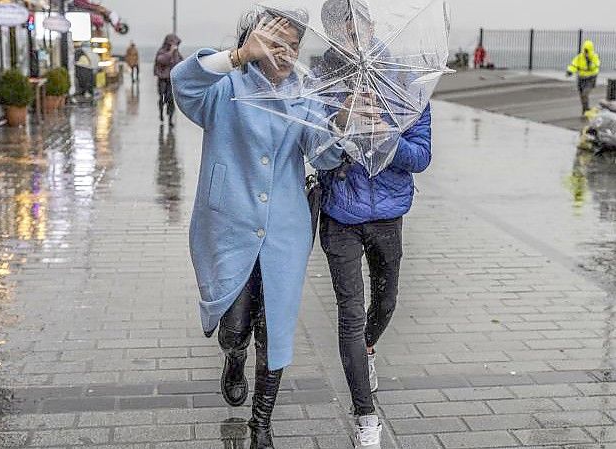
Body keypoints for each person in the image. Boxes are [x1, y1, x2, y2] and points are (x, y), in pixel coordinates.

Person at [171, 9, 343, 449]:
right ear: (254, 42)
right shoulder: (224, 89)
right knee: (235, 325)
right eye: (276, 42)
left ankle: (260, 424)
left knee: (276, 327)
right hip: (229, 224)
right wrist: (237, 55)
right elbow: (183, 83)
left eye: (293, 45)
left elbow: (325, 159)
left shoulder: (305, 94)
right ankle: (233, 356)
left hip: (285, 229)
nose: (286, 53)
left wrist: (338, 127)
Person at [317, 0, 433, 447]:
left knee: (384, 304)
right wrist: (343, 126)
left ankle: (368, 350)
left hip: (387, 215)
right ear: (333, 33)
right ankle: (365, 415)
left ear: (370, 27)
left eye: (358, 24)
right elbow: (313, 151)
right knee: (349, 314)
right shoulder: (321, 82)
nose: (352, 32)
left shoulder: (404, 81)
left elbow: (420, 156)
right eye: (342, 26)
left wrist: (383, 136)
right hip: (340, 214)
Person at [155, 34, 183, 125]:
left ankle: (170, 118)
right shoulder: (161, 51)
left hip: (171, 80)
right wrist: (170, 52)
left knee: (171, 99)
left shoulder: (177, 53)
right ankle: (161, 113)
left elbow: (181, 63)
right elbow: (161, 60)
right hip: (163, 79)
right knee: (162, 98)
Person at [566, 40, 601, 115]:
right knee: (581, 95)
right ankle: (585, 108)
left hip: (590, 78)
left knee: (585, 93)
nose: (585, 54)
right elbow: (573, 65)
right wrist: (570, 71)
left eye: (587, 52)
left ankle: (586, 109)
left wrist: (589, 62)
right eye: (585, 51)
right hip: (581, 78)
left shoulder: (594, 57)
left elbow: (596, 65)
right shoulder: (579, 57)